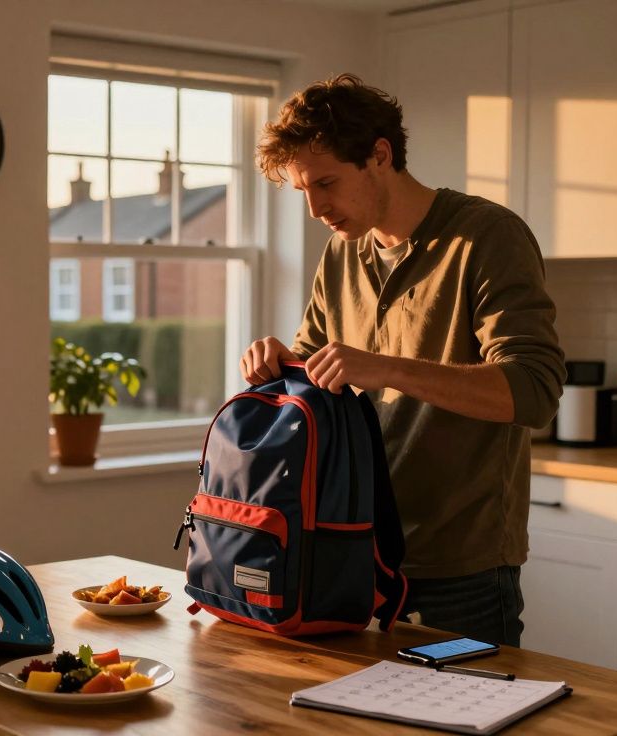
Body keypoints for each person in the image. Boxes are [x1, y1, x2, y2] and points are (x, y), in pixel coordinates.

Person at [242, 74, 564, 647]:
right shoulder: (343, 252)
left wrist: (385, 367)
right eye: (302, 191)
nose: (316, 208)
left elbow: (533, 392)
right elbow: (321, 379)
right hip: (346, 551)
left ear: (380, 155)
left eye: (327, 183)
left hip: (456, 566)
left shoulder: (488, 237)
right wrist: (281, 365)